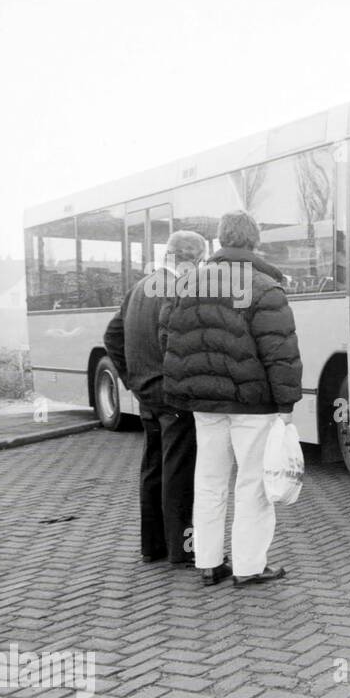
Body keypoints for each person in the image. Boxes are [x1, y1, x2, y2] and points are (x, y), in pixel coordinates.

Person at [160, 211, 302, 585]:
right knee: (252, 484)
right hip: (251, 405)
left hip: (203, 405)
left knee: (208, 480)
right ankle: (248, 567)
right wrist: (286, 406)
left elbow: (168, 340)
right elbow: (280, 353)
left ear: (220, 241)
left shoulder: (188, 285)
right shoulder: (265, 288)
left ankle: (207, 563)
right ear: (254, 241)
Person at [104, 231, 206, 568]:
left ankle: (153, 545)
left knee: (153, 467)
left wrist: (131, 378)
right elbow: (177, 344)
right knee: (178, 470)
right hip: (173, 395)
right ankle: (182, 549)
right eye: (202, 260)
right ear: (192, 258)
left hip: (146, 394)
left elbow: (112, 336)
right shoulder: (178, 290)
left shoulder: (139, 288)